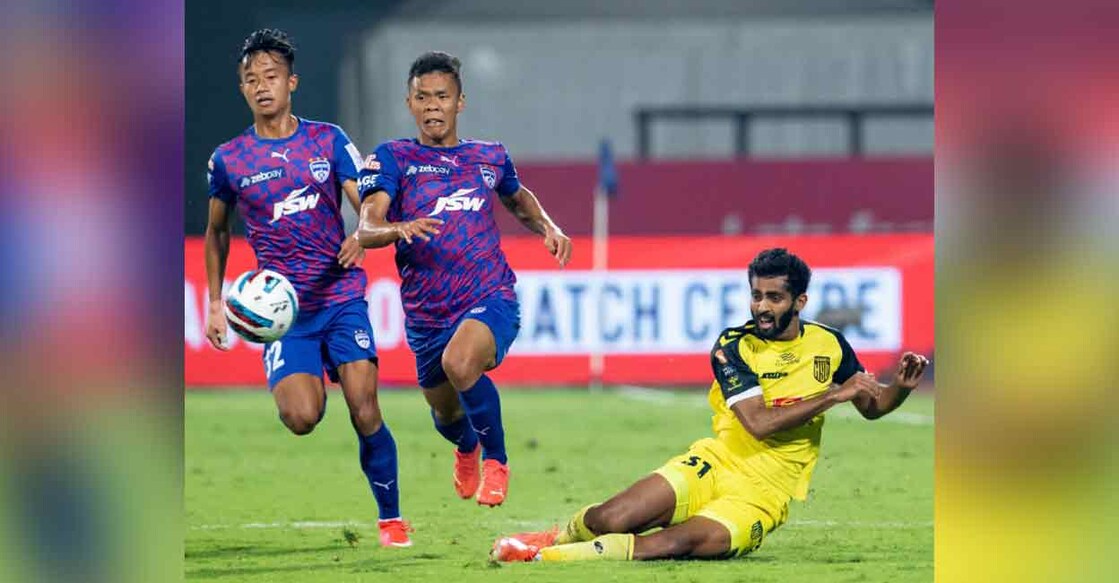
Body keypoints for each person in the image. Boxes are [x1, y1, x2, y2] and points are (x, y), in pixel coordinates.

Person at [491, 248, 929, 561]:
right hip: (717, 463)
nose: (761, 306)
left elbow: (871, 406)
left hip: (762, 496)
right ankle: (558, 535)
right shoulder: (732, 347)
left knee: (672, 544)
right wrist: (834, 394)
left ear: (799, 302)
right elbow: (758, 423)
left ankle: (539, 560)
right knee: (612, 517)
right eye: (756, 295)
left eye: (774, 298)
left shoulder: (829, 344)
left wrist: (900, 389)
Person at [203, 29, 411, 547]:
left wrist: (362, 233)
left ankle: (391, 519)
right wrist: (213, 301)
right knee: (301, 417)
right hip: (282, 311)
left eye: (270, 76)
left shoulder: (328, 140)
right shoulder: (230, 160)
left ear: (291, 82)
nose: (261, 86)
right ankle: (310, 375)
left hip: (339, 297)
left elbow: (364, 199)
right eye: (250, 79)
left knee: (365, 407)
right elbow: (217, 230)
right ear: (242, 88)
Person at [348, 51, 572, 507]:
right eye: (422, 97)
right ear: (409, 104)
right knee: (444, 413)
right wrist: (396, 228)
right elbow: (367, 227)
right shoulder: (393, 158)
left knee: (461, 361)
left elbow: (518, 197)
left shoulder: (488, 156)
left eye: (442, 97)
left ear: (460, 103)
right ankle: (467, 445)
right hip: (427, 315)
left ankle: (497, 462)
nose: (433, 106)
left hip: (490, 295)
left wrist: (548, 226)